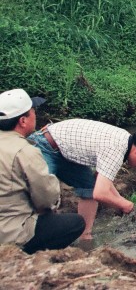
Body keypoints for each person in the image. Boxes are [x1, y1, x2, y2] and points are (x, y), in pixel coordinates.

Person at [27, 119, 136, 239]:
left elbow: (101, 183)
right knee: (42, 196)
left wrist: (119, 201)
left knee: (89, 186)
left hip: (64, 151)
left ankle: (85, 236)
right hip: (44, 146)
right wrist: (124, 204)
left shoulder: (125, 142)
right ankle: (31, 241)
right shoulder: (116, 149)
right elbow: (100, 193)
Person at [0, 89, 85, 254]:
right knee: (76, 223)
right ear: (23, 121)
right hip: (10, 233)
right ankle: (29, 254)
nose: (35, 115)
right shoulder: (25, 151)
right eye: (33, 111)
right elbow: (46, 198)